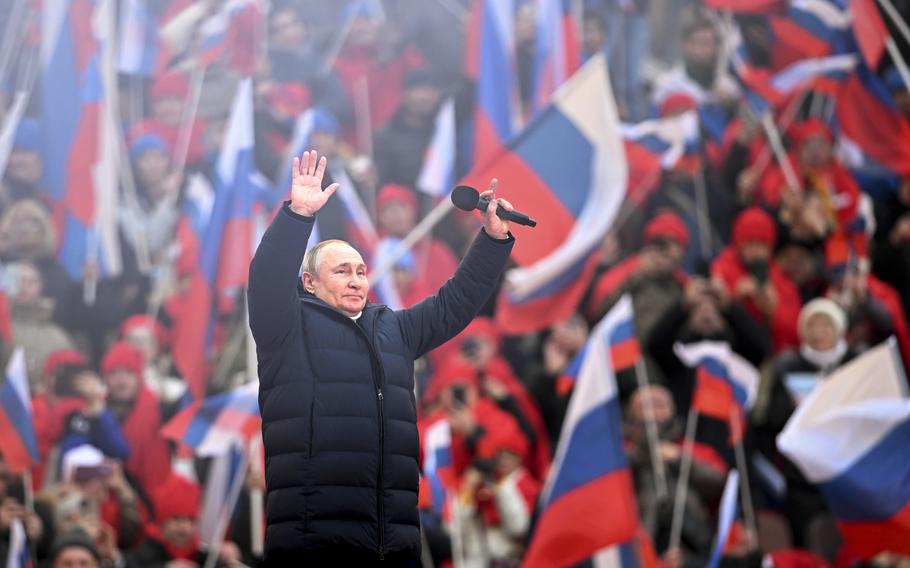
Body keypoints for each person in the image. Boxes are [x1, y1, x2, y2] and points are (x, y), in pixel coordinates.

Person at [248, 151, 516, 564]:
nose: (355, 280)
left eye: (360, 271)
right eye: (341, 271)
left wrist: (493, 241)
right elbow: (266, 279)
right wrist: (298, 215)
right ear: (309, 282)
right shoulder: (285, 328)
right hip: (314, 542)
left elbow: (456, 302)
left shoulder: (394, 329)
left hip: (394, 543)